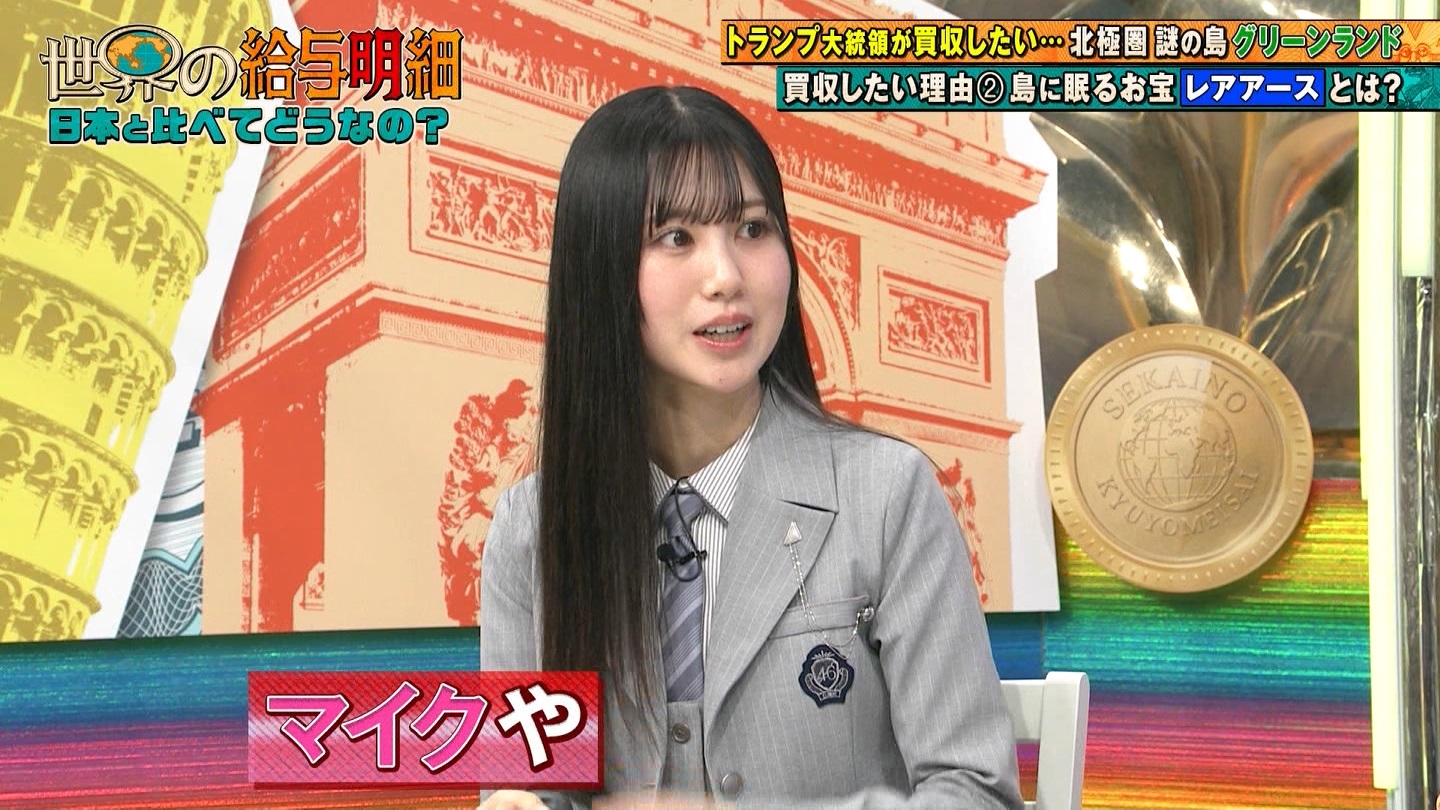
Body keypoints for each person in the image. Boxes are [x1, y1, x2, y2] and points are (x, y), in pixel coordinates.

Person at [479, 85, 1022, 810]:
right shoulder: (531, 528)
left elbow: (975, 791)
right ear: (599, 269)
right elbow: (530, 783)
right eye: (676, 237)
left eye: (752, 228)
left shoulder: (888, 494)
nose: (727, 277)